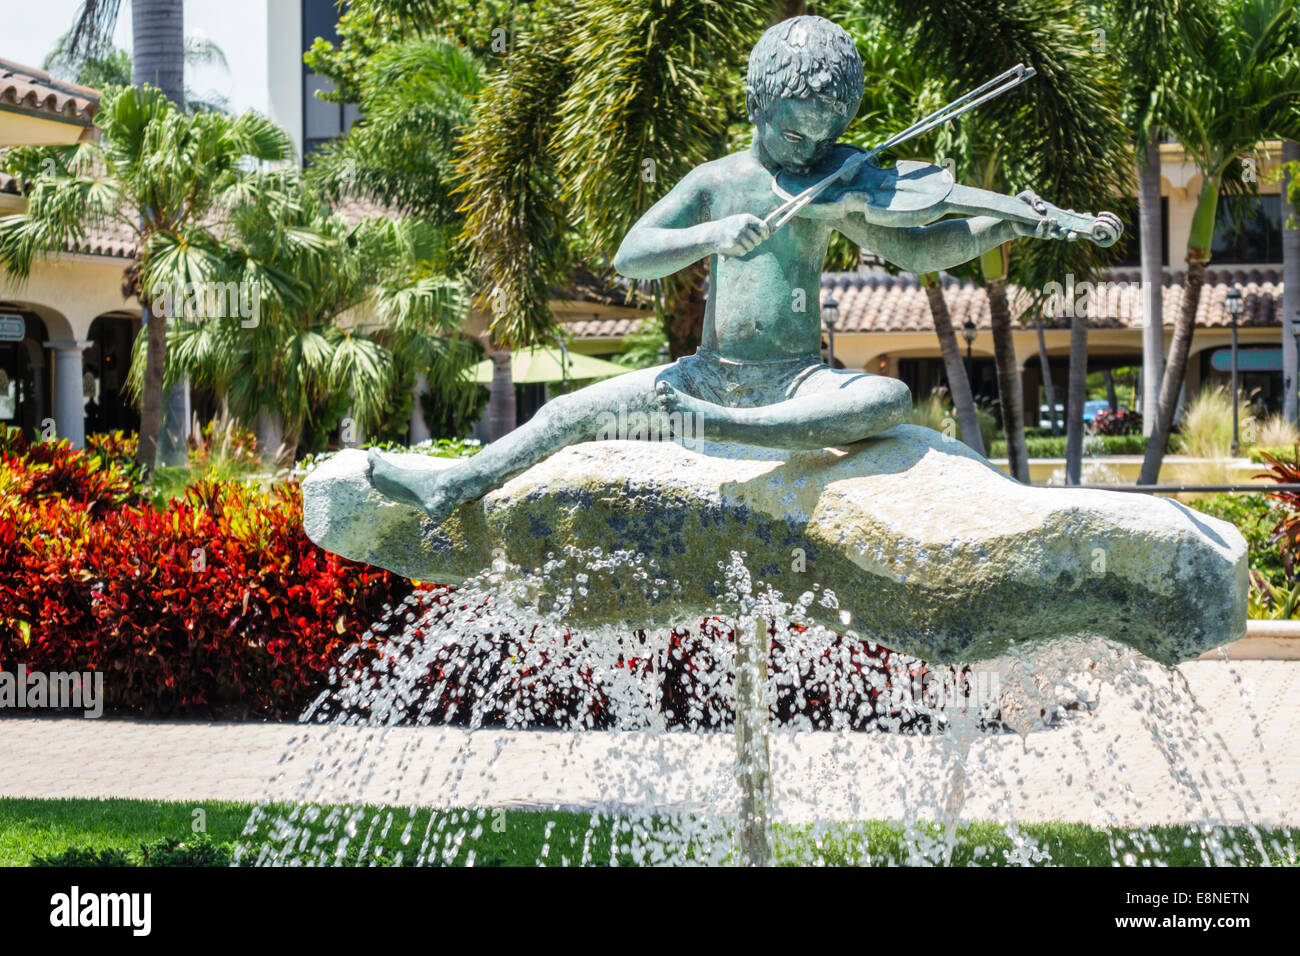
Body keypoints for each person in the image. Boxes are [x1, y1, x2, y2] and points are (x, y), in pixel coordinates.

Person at [368, 15, 1064, 522]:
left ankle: (721, 429)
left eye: (825, 134)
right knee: (566, 413)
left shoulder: (835, 182)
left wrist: (1003, 220)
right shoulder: (719, 180)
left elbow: (915, 248)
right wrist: (716, 233)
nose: (810, 149)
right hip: (702, 374)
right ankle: (453, 485)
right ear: (759, 104)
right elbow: (632, 251)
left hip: (795, 382)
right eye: (795, 131)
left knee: (884, 402)